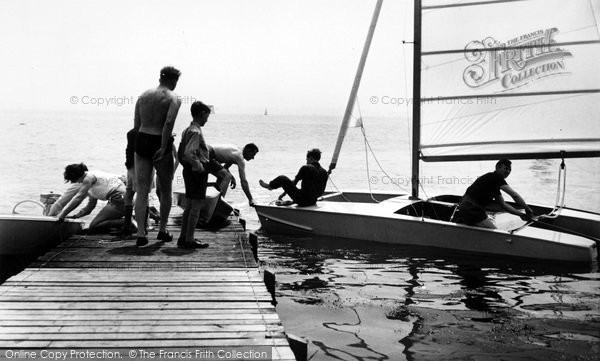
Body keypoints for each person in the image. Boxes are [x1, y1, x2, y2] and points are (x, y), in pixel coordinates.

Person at [133, 66, 182, 247]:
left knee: (142, 189)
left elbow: (136, 124)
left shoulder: (143, 95)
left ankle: (140, 233)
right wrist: (163, 146)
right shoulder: (173, 97)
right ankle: (162, 230)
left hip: (142, 138)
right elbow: (168, 122)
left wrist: (137, 147)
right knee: (166, 187)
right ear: (173, 80)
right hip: (159, 141)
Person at [176, 101, 219, 249]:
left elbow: (181, 153)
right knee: (196, 207)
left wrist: (187, 165)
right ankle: (189, 239)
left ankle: (183, 237)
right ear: (201, 114)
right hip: (196, 172)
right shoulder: (196, 131)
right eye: (207, 116)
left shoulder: (187, 130)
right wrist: (198, 166)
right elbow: (189, 153)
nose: (207, 119)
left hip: (188, 171)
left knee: (189, 206)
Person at [458, 158, 534, 229]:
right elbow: (514, 195)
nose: (508, 171)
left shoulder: (493, 183)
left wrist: (521, 214)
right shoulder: (496, 177)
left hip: (466, 208)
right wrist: (527, 208)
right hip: (471, 209)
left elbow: (503, 205)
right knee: (495, 233)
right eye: (506, 168)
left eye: (510, 170)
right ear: (497, 167)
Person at [56, 163, 127, 232]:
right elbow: (90, 206)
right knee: (96, 226)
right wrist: (75, 216)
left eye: (73, 181)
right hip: (120, 199)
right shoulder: (91, 183)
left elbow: (78, 198)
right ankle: (126, 222)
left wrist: (63, 215)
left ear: (76, 177)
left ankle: (128, 222)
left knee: (95, 225)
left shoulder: (88, 178)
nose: (74, 183)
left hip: (119, 199)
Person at [259, 148, 328, 207]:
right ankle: (293, 201)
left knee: (283, 178)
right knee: (307, 190)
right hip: (313, 201)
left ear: (311, 158)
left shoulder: (306, 168)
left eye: (307, 159)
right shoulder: (324, 172)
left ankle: (270, 186)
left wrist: (282, 195)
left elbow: (294, 182)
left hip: (302, 201)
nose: (306, 161)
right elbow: (319, 190)